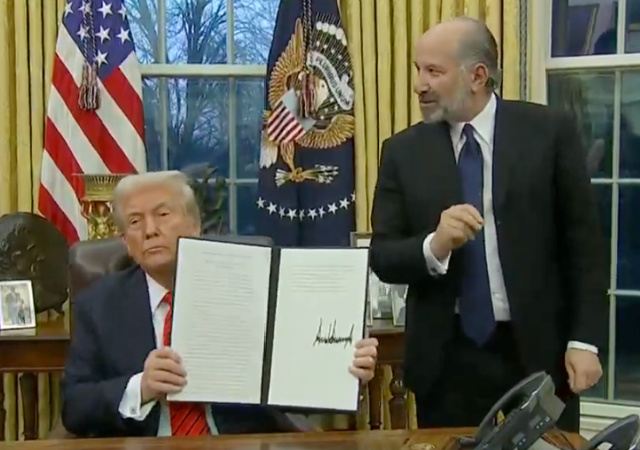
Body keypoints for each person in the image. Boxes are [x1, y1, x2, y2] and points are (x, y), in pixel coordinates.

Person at [369, 17, 608, 432]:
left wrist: (584, 341)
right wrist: (435, 245)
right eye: (418, 69)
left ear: (477, 76)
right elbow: (383, 256)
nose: (419, 84)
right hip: (447, 358)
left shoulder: (549, 133)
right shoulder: (402, 151)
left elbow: (584, 248)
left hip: (540, 352)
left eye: (434, 71)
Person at [62, 170, 378, 438]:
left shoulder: (250, 288)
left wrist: (343, 370)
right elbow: (73, 406)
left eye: (163, 214)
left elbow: (289, 382)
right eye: (135, 221)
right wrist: (140, 388)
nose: (150, 230)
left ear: (195, 226)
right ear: (126, 244)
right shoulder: (98, 305)